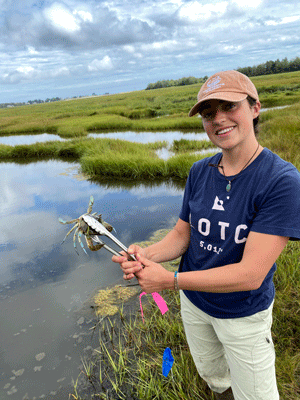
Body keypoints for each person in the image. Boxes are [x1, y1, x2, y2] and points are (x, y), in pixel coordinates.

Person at [112, 70, 300, 400]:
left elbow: (251, 274)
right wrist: (147, 255)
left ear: (255, 107)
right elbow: (182, 235)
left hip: (243, 313)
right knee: (214, 376)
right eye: (209, 113)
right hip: (195, 303)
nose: (219, 119)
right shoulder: (200, 171)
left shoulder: (280, 180)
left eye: (229, 106)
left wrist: (169, 281)